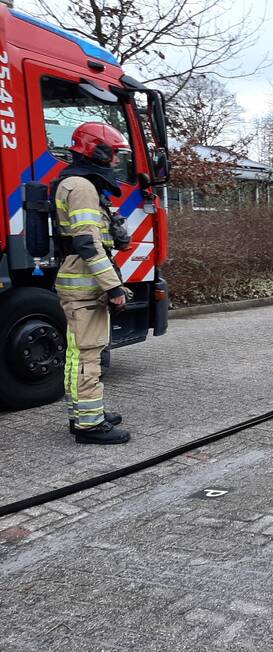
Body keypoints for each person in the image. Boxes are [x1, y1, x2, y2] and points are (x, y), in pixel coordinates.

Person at [53, 122, 131, 445]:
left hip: (77, 281)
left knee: (76, 353)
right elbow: (86, 243)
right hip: (85, 285)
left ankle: (83, 414)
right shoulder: (82, 187)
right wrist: (113, 286)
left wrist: (116, 233)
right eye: (112, 155)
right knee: (88, 354)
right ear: (96, 150)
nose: (115, 162)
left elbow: (90, 237)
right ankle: (89, 425)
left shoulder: (77, 184)